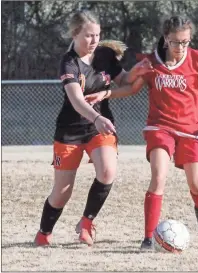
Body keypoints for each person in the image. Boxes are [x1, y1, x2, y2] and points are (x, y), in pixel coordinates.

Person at [86, 15, 198, 251]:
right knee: (158, 176)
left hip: (193, 127)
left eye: (185, 42)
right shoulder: (151, 63)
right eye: (176, 42)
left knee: (197, 184)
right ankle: (147, 238)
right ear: (166, 39)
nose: (181, 47)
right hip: (161, 125)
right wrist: (104, 94)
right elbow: (131, 88)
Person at [34, 10, 152, 246]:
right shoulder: (69, 62)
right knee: (62, 192)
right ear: (75, 34)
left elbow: (124, 80)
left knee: (108, 171)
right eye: (89, 36)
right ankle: (44, 233)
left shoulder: (105, 55)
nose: (94, 41)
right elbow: (77, 100)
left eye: (97, 35)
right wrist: (96, 118)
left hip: (100, 128)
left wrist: (137, 72)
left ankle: (86, 224)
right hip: (70, 131)